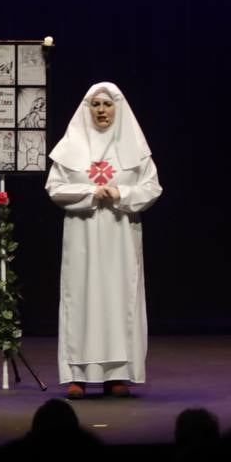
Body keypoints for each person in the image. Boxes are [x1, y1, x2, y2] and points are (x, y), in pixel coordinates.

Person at [45, 82, 162, 399]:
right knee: (81, 298)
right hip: (83, 233)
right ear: (88, 108)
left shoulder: (135, 150)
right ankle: (78, 375)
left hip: (120, 234)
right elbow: (55, 188)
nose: (101, 110)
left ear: (118, 108)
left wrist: (121, 193)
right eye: (95, 104)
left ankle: (117, 375)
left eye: (107, 104)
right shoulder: (72, 145)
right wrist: (89, 193)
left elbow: (152, 188)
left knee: (117, 298)